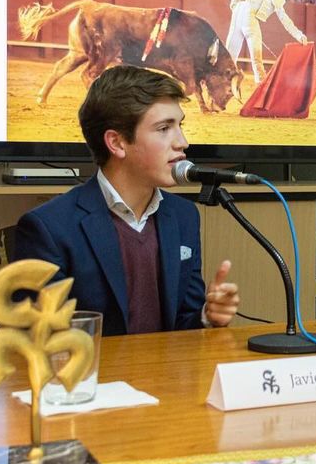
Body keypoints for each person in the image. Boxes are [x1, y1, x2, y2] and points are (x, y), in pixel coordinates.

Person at [14, 66, 240, 336]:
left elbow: (181, 326)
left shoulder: (184, 216)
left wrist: (207, 316)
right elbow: (43, 342)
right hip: (92, 377)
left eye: (180, 126)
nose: (183, 142)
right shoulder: (49, 228)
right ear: (117, 143)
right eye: (164, 128)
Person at [225, 0, 308, 84]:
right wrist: (234, 3)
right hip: (237, 15)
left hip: (251, 20)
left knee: (257, 60)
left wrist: (298, 35)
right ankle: (219, 90)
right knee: (228, 58)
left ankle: (262, 93)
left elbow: (284, 17)